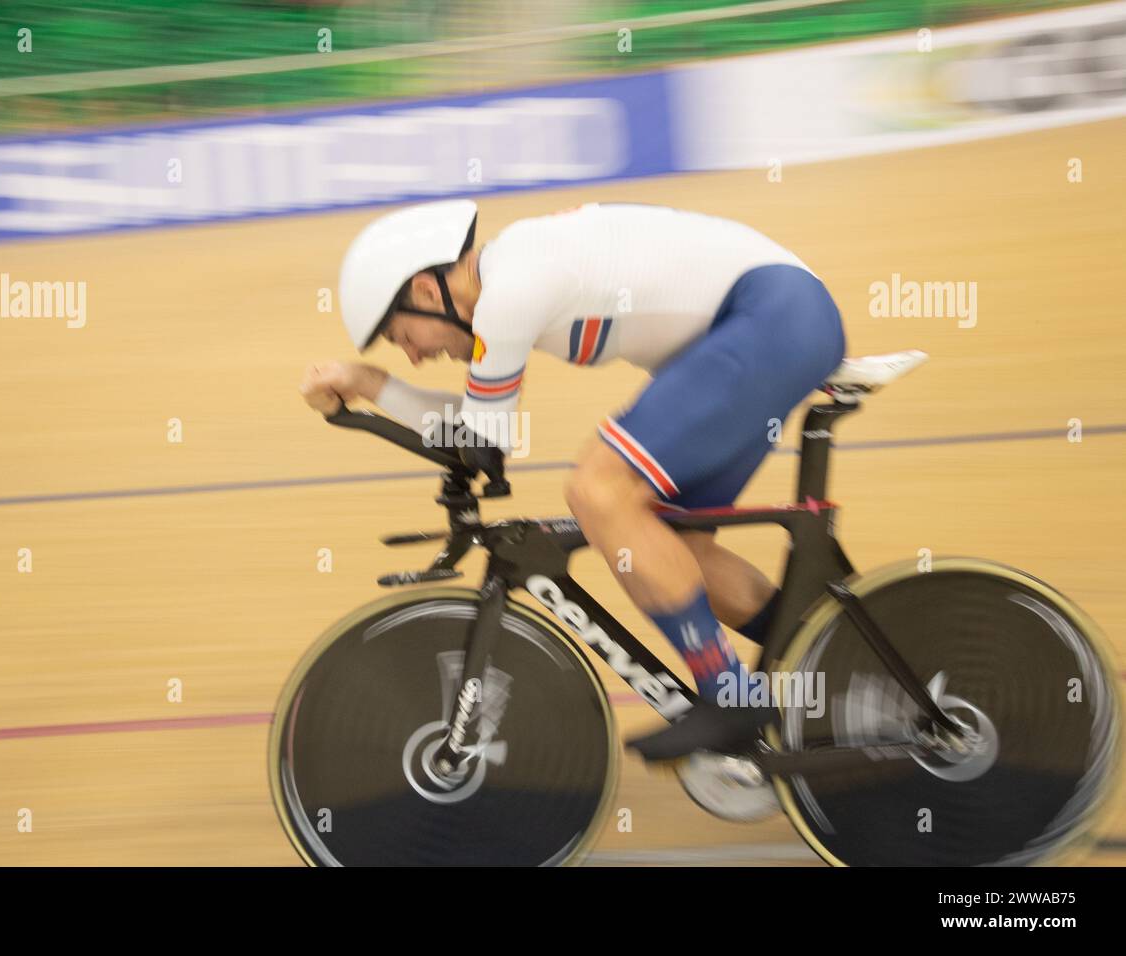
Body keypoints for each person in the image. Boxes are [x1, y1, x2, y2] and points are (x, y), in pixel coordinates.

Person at [300, 199, 846, 760]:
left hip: (772, 318)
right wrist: (366, 386)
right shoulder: (511, 276)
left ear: (424, 289)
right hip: (776, 320)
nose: (414, 357)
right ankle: (845, 662)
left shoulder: (510, 291)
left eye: (402, 336)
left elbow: (481, 445)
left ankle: (731, 697)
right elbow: (475, 433)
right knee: (669, 545)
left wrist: (368, 388)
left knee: (597, 490)